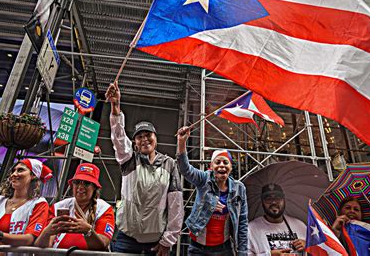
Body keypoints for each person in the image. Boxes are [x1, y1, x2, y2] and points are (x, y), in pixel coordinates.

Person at [106, 82, 183, 255]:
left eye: (148, 135)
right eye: (139, 137)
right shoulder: (128, 159)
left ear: (156, 138)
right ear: (134, 143)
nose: (144, 139)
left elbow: (176, 206)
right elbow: (118, 138)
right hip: (125, 238)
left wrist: (168, 241)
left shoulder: (170, 164)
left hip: (156, 242)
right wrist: (115, 107)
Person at [176, 126, 248, 255]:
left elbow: (242, 222)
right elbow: (185, 170)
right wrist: (182, 142)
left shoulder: (239, 188)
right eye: (217, 162)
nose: (221, 165)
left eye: (225, 162)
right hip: (198, 248)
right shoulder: (204, 179)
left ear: (231, 167)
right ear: (211, 167)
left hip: (224, 249)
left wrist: (242, 251)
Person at [0, 159, 51, 250]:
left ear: (33, 175)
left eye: (20, 170)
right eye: (13, 171)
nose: (14, 174)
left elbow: (29, 239)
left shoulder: (39, 204)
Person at [35, 163, 115, 251]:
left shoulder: (104, 209)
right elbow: (41, 247)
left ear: (95, 188)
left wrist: (88, 231)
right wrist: (46, 233)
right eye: (77, 182)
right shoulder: (58, 206)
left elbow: (103, 245)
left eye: (87, 183)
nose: (80, 187)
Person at [248, 183, 306, 255]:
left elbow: (318, 250)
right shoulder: (250, 229)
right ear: (262, 202)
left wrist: (308, 246)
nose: (274, 202)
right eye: (268, 199)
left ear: (284, 200)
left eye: (277, 198)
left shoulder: (300, 226)